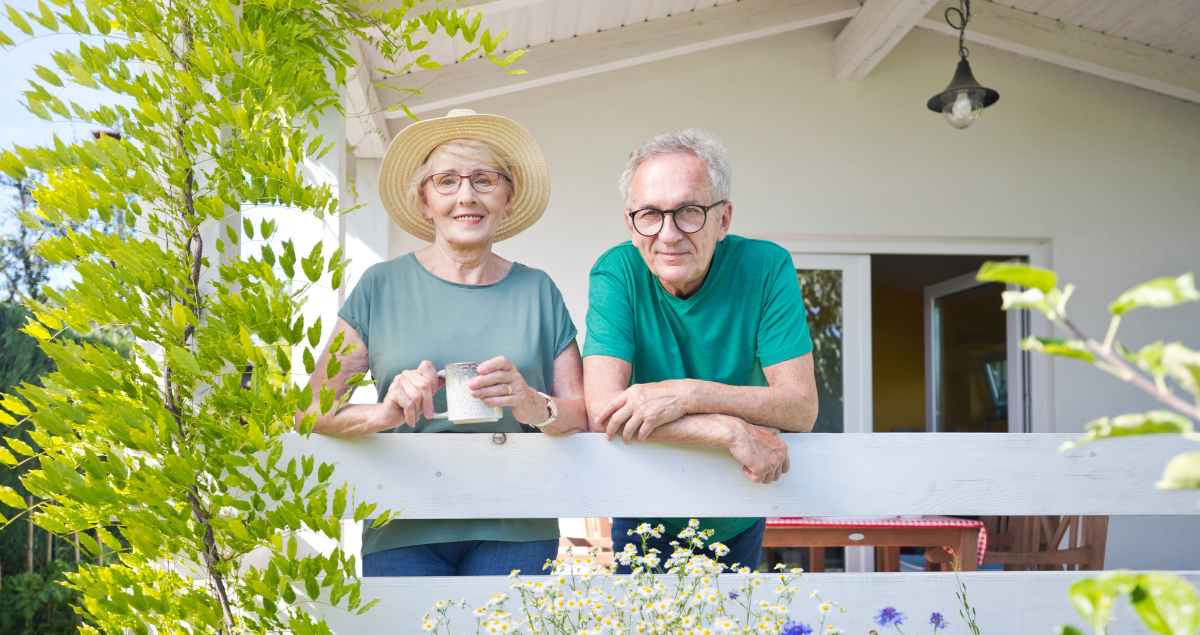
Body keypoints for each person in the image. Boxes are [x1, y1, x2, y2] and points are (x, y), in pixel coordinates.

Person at [298, 109, 587, 577]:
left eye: (485, 180)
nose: (466, 196)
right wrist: (381, 413)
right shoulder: (380, 286)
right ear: (423, 200)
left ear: (508, 198)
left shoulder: (539, 291)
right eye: (447, 181)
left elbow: (583, 412)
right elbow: (312, 409)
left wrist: (535, 405)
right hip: (401, 524)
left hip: (517, 526)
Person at [583, 129, 819, 573]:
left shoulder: (767, 267)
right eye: (650, 214)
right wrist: (726, 430)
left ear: (723, 219)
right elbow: (601, 408)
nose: (668, 234)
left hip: (736, 504)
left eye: (689, 211)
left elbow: (801, 407)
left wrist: (689, 394)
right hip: (643, 502)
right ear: (631, 224)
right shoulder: (616, 271)